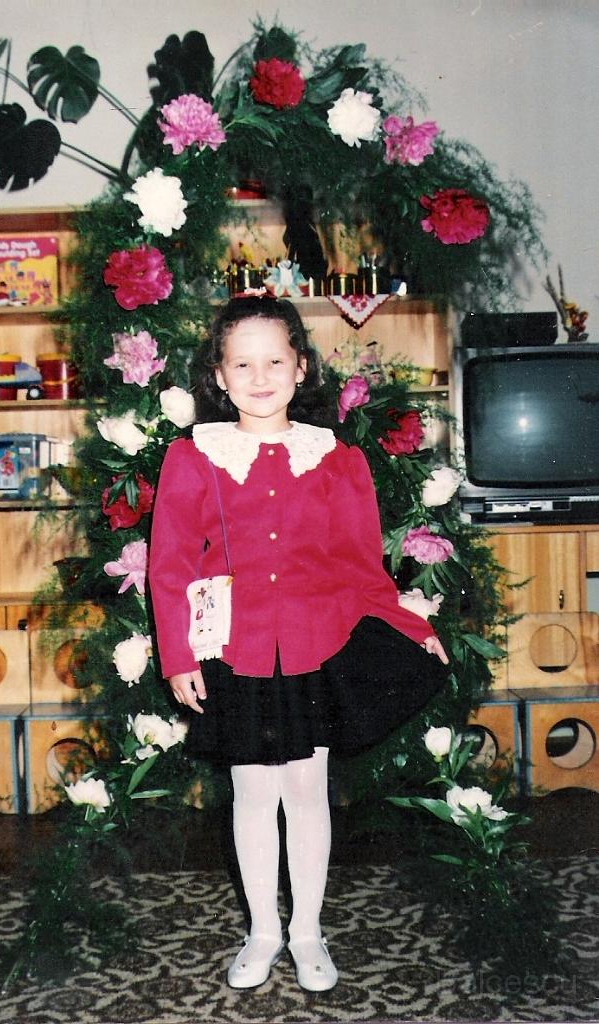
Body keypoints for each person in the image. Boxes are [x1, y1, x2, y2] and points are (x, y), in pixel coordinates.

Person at [148, 296, 448, 993]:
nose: (260, 377)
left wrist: (413, 624)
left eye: (274, 361)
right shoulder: (192, 457)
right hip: (235, 651)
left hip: (317, 646)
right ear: (218, 376)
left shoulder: (336, 459)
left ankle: (308, 932)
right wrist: (179, 656)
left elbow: (362, 566)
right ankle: (262, 931)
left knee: (308, 790)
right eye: (242, 364)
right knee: (253, 793)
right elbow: (170, 565)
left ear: (300, 367)